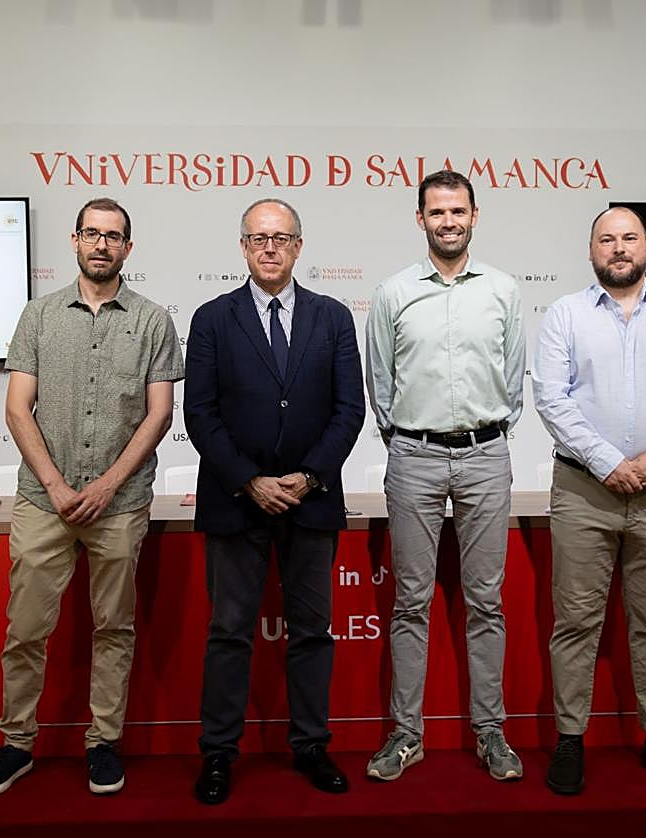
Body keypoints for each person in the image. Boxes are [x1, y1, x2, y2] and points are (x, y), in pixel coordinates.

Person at [0, 197, 183, 797]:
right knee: (25, 630)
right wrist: (60, 487)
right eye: (92, 233)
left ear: (128, 248)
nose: (101, 244)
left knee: (114, 627)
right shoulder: (37, 316)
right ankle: (16, 745)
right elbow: (17, 409)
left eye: (113, 236)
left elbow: (159, 414)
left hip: (120, 505)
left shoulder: (153, 321)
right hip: (44, 501)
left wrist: (107, 485)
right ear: (74, 240)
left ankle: (103, 743)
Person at [531, 206, 646, 795]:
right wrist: (607, 462)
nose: (618, 248)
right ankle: (569, 741)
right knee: (576, 624)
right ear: (591, 252)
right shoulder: (564, 315)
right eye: (606, 239)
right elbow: (551, 399)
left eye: (629, 238)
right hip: (585, 492)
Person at [184, 198, 365, 805]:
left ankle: (311, 744)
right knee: (229, 632)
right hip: (236, 501)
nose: (269, 248)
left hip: (311, 501)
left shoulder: (334, 317)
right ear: (242, 247)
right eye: (258, 238)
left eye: (281, 238)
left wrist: (309, 478)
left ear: (298, 245)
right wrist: (250, 481)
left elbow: (349, 411)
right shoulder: (212, 319)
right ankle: (218, 753)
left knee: (313, 631)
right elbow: (199, 415)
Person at [364, 169, 526, 783]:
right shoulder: (392, 293)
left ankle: (491, 732)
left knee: (486, 600)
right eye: (437, 212)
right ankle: (407, 735)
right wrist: (412, 438)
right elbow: (382, 385)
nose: (448, 221)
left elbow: (513, 382)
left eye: (458, 211)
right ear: (420, 219)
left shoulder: (505, 291)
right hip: (414, 457)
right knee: (410, 602)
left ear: (474, 216)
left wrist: (483, 434)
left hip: (487, 455)